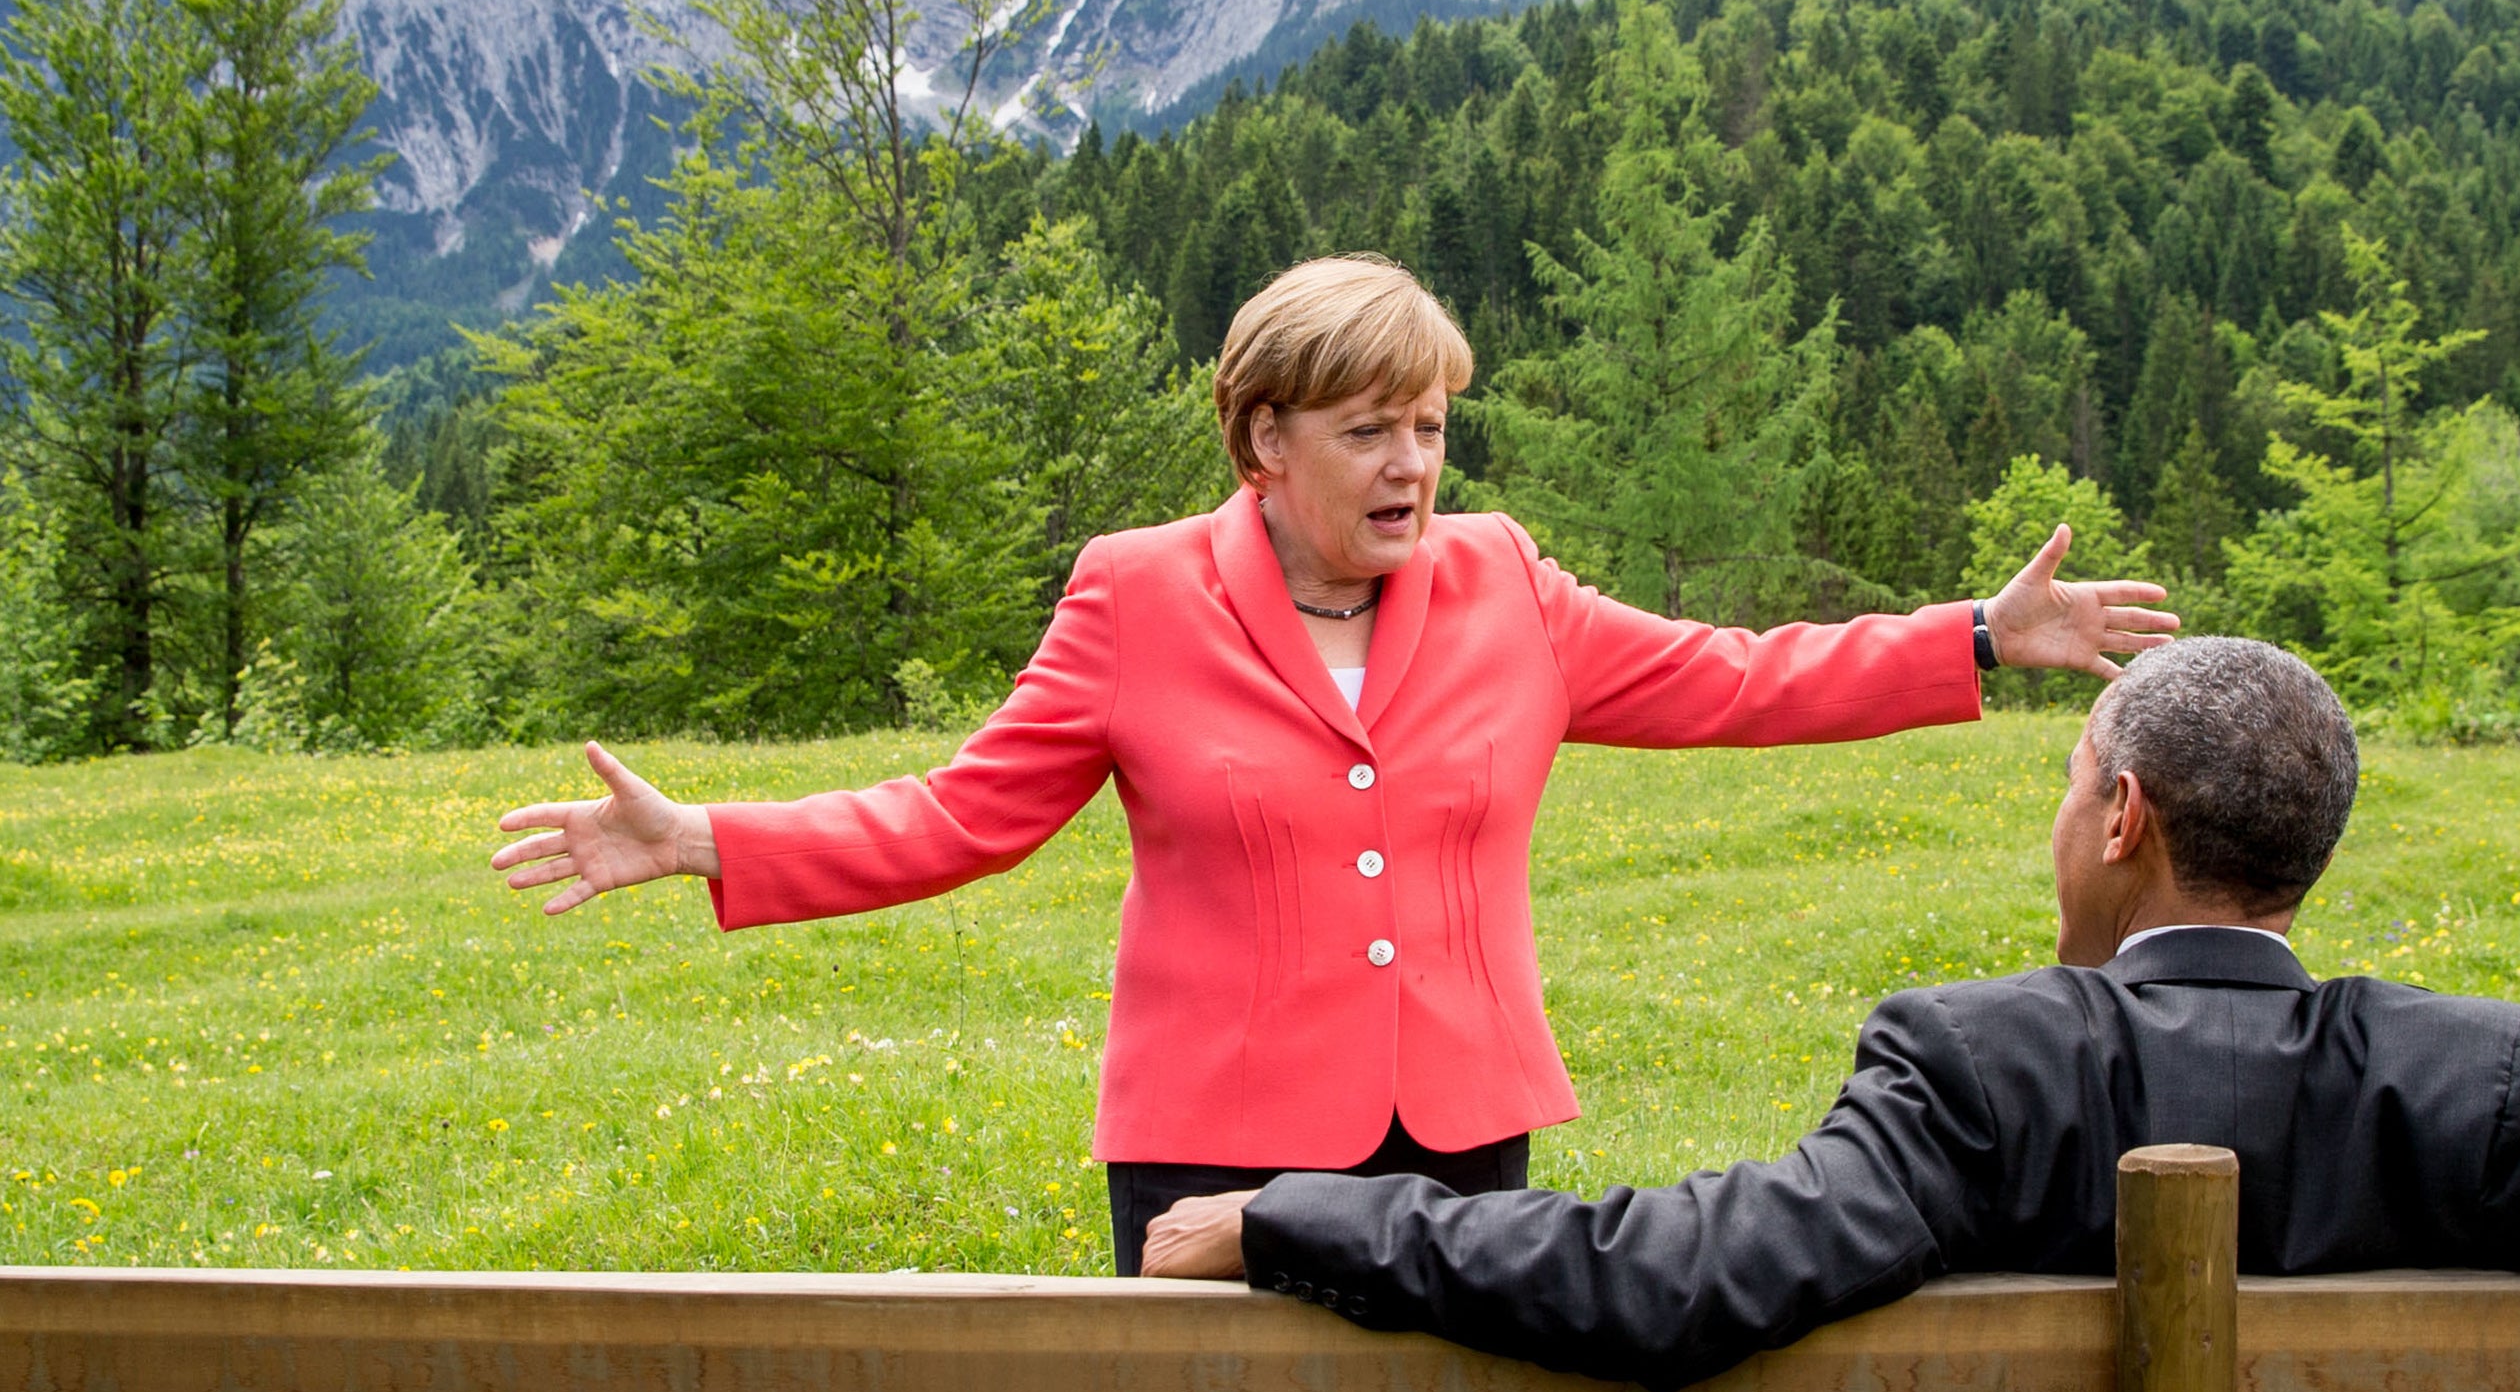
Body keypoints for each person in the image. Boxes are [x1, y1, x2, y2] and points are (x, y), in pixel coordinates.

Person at [487, 253, 2174, 1273]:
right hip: (1211, 1140)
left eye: (1431, 427)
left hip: (1458, 1131)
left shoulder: (1507, 581)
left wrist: (1971, 637)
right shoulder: (1134, 595)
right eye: (1370, 429)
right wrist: (709, 838)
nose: (1412, 465)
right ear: (1263, 438)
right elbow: (960, 813)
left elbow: (1730, 679)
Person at [1143, 634, 2520, 1385]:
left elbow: (1674, 1277)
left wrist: (1302, 1214)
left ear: (2117, 814)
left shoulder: (1971, 1065)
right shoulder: (2490, 1087)